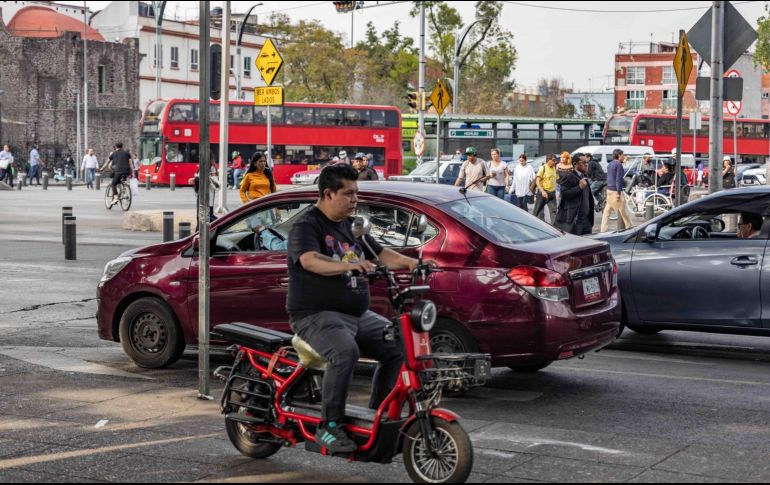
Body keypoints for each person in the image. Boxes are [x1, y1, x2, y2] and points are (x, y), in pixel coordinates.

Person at [286, 164, 434, 453]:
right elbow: (309, 260)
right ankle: (329, 426)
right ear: (328, 193)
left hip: (355, 315)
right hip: (316, 314)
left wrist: (411, 263)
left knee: (396, 345)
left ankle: (378, 415)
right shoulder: (306, 226)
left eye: (357, 193)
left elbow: (379, 254)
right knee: (344, 352)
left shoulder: (351, 225)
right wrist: (349, 265)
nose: (355, 200)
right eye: (349, 193)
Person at [556, 154, 594, 235]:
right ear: (574, 164)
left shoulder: (584, 176)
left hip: (586, 220)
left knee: (588, 243)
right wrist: (579, 187)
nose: (586, 164)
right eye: (583, 162)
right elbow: (564, 194)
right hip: (575, 219)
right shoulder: (569, 176)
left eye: (587, 162)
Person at [601, 149, 634, 232]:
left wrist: (624, 161)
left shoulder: (610, 164)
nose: (624, 156)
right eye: (623, 155)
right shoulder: (618, 165)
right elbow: (618, 179)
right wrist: (619, 193)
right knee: (623, 211)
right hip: (616, 190)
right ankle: (630, 228)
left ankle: (603, 230)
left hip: (609, 190)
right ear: (619, 155)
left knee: (607, 212)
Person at [532, 154, 558, 224]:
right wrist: (542, 191)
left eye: (555, 160)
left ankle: (555, 228)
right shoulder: (543, 168)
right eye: (553, 160)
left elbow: (557, 179)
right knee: (537, 212)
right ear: (548, 160)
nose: (555, 162)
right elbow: (537, 181)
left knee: (554, 212)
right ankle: (536, 226)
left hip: (552, 193)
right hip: (543, 193)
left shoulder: (554, 168)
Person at [105, 143, 133, 207]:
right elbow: (131, 164)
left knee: (113, 184)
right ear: (122, 147)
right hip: (127, 171)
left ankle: (116, 197)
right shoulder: (127, 153)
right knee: (121, 180)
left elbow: (107, 162)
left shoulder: (114, 153)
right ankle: (124, 190)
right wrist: (132, 173)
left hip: (118, 171)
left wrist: (102, 168)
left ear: (116, 147)